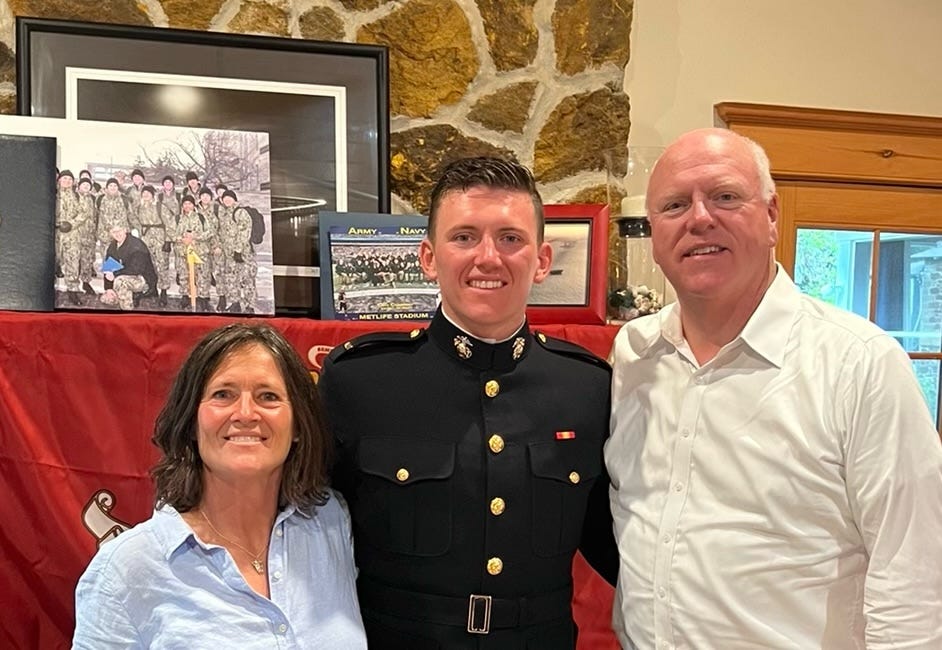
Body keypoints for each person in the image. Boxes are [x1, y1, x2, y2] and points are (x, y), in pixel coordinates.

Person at [605, 128, 942, 649]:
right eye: (674, 205)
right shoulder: (633, 355)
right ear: (653, 230)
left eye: (725, 196)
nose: (699, 218)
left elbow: (913, 581)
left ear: (771, 215)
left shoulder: (859, 364)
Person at [319, 156, 617, 649]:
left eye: (510, 238)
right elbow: (304, 537)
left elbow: (618, 544)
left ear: (542, 261)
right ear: (428, 257)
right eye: (464, 237)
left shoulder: (587, 388)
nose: (488, 257)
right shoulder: (360, 382)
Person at [72, 323, 367, 648]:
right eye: (223, 395)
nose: (245, 414)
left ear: (298, 425)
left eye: (268, 396)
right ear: (191, 423)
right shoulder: (125, 571)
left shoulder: (331, 523)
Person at [100, 225, 158, 311]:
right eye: (114, 232)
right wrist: (108, 288)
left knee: (120, 282)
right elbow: (109, 268)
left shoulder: (137, 245)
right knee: (106, 298)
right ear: (110, 234)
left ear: (125, 230)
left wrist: (115, 274)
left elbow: (135, 269)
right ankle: (125, 297)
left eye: (119, 231)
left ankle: (127, 310)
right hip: (126, 275)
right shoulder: (113, 246)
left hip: (143, 279)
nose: (117, 234)